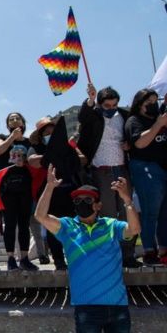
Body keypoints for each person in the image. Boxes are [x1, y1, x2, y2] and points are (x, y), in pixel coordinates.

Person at [35, 165, 140, 333]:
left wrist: (127, 200)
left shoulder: (111, 225)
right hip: (86, 308)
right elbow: (40, 216)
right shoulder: (67, 227)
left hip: (117, 306)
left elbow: (134, 230)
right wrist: (49, 187)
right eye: (78, 201)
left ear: (98, 205)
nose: (82, 203)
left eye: (88, 200)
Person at [78, 84, 140, 268]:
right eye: (107, 106)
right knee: (108, 214)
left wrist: (129, 145)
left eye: (114, 105)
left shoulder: (125, 115)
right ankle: (110, 255)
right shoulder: (94, 115)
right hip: (101, 170)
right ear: (100, 104)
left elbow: (133, 136)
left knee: (127, 212)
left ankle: (128, 255)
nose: (111, 109)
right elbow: (83, 116)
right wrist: (90, 99)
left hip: (122, 169)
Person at [28, 116, 82, 270]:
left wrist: (69, 152)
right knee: (52, 227)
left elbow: (82, 159)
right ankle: (58, 260)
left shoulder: (67, 146)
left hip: (69, 191)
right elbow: (32, 161)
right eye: (46, 132)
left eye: (53, 131)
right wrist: (53, 155)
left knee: (73, 225)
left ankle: (75, 258)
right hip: (48, 194)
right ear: (40, 135)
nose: (50, 134)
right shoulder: (36, 148)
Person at [124, 88, 167, 265]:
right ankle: (149, 250)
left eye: (156, 101)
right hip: (145, 168)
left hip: (163, 169)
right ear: (140, 105)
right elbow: (140, 143)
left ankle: (164, 250)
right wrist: (158, 125)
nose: (153, 105)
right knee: (151, 211)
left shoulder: (161, 116)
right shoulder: (134, 121)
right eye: (148, 102)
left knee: (165, 212)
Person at [0, 145, 40, 271]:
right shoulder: (6, 169)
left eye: (21, 155)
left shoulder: (29, 168)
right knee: (10, 227)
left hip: (25, 200)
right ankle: (11, 259)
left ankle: (24, 258)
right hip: (9, 200)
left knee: (24, 228)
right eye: (15, 155)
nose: (18, 157)